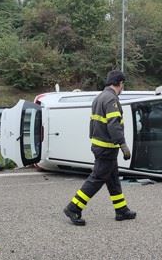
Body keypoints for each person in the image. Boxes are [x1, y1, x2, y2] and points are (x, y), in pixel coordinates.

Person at [63, 70, 136, 226]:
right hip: (107, 148)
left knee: (113, 178)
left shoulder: (99, 98)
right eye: (123, 84)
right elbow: (114, 124)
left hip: (101, 146)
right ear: (119, 83)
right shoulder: (111, 99)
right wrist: (123, 145)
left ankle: (121, 209)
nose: (123, 87)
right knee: (97, 179)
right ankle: (73, 208)